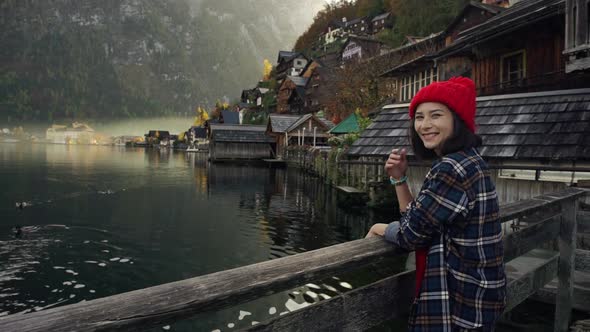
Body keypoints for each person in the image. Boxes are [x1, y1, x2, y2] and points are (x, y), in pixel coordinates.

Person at [366, 77, 505, 331]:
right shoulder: (470, 160)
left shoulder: (451, 169)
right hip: (479, 300)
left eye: (436, 115)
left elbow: (409, 236)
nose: (425, 125)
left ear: (457, 120)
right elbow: (420, 222)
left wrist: (379, 227)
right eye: (419, 117)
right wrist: (399, 179)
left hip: (459, 306)